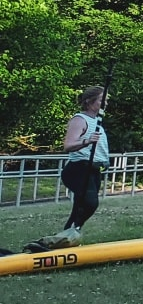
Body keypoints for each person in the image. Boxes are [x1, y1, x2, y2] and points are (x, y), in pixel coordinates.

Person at [24, 86, 112, 252]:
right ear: (89, 101)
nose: (105, 103)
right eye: (102, 100)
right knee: (90, 203)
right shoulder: (79, 120)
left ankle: (65, 238)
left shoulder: (97, 120)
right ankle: (69, 233)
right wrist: (86, 141)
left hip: (93, 169)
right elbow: (68, 145)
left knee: (81, 207)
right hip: (79, 168)